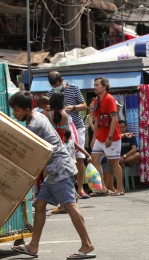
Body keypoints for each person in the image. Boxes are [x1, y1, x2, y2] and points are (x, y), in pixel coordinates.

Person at [8, 91, 95, 259]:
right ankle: (33, 246)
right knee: (40, 206)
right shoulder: (37, 116)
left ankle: (87, 245)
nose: (15, 114)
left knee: (70, 205)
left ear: (27, 109)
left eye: (17, 110)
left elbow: (25, 151)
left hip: (59, 168)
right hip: (55, 169)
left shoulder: (35, 125)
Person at [47, 71, 89, 199]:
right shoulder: (50, 93)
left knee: (79, 158)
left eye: (57, 85)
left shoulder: (74, 88)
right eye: (53, 86)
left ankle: (80, 188)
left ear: (62, 80)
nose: (55, 88)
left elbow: (85, 106)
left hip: (77, 127)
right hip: (61, 130)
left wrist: (74, 107)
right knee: (66, 159)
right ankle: (70, 190)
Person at [90, 77, 124, 196]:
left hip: (112, 137)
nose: (95, 87)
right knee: (94, 160)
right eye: (94, 85)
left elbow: (114, 118)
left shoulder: (109, 99)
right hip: (100, 137)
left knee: (115, 163)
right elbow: (96, 121)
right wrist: (94, 138)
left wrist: (110, 137)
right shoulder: (96, 101)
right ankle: (103, 187)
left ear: (104, 87)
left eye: (97, 85)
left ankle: (119, 189)